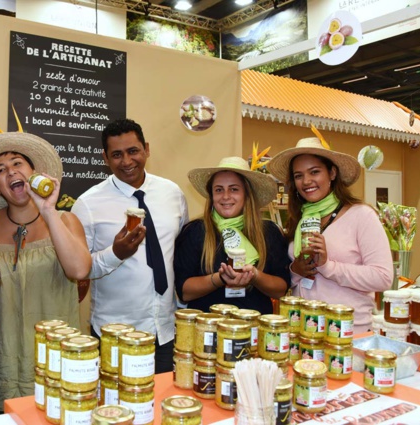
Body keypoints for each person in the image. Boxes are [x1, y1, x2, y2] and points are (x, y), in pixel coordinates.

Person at [0, 132, 91, 409]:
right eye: (1, 170)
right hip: (2, 355)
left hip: (56, 354)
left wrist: (48, 211)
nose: (11, 171)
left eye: (17, 163)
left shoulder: (66, 220)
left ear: (34, 173)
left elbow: (80, 270)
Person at [71, 118, 189, 374]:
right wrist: (116, 254)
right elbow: (79, 270)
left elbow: (178, 255)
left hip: (166, 331)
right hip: (115, 336)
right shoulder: (87, 205)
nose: (126, 161)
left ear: (146, 149)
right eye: (117, 154)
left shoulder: (173, 194)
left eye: (133, 151)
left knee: (161, 406)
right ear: (105, 157)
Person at [267, 136, 393, 333]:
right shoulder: (300, 219)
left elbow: (383, 277)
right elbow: (292, 279)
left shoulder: (361, 215)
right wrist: (296, 269)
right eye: (298, 175)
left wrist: (328, 267)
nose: (306, 181)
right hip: (303, 330)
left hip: (347, 332)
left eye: (314, 172)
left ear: (332, 173)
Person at [175, 157, 290, 313]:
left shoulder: (268, 233)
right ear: (211, 196)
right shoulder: (195, 232)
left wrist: (255, 276)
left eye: (234, 189)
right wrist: (219, 278)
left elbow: (280, 290)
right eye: (219, 189)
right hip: (207, 329)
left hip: (255, 329)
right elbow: (184, 292)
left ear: (247, 194)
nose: (226, 196)